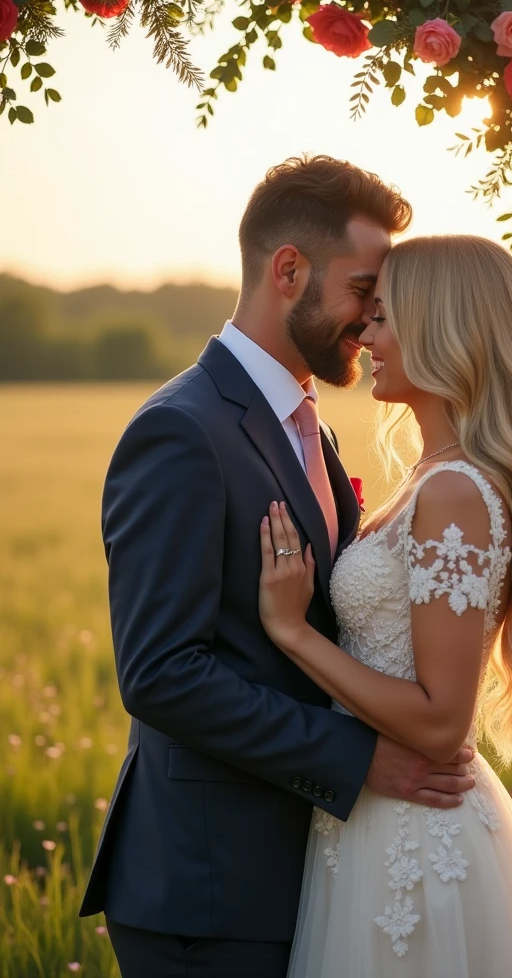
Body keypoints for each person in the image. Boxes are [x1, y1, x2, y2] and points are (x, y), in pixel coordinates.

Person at [78, 156, 477, 978]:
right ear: (287, 270)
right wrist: (358, 757)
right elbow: (161, 673)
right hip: (209, 890)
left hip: (306, 870)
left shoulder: (307, 427)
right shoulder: (183, 432)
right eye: (363, 291)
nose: (372, 321)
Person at [258, 235, 512, 977]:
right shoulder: (430, 477)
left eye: (383, 317)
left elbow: (441, 719)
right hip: (371, 817)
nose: (365, 335)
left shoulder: (454, 494)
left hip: (414, 833)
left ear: (440, 329)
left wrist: (293, 634)